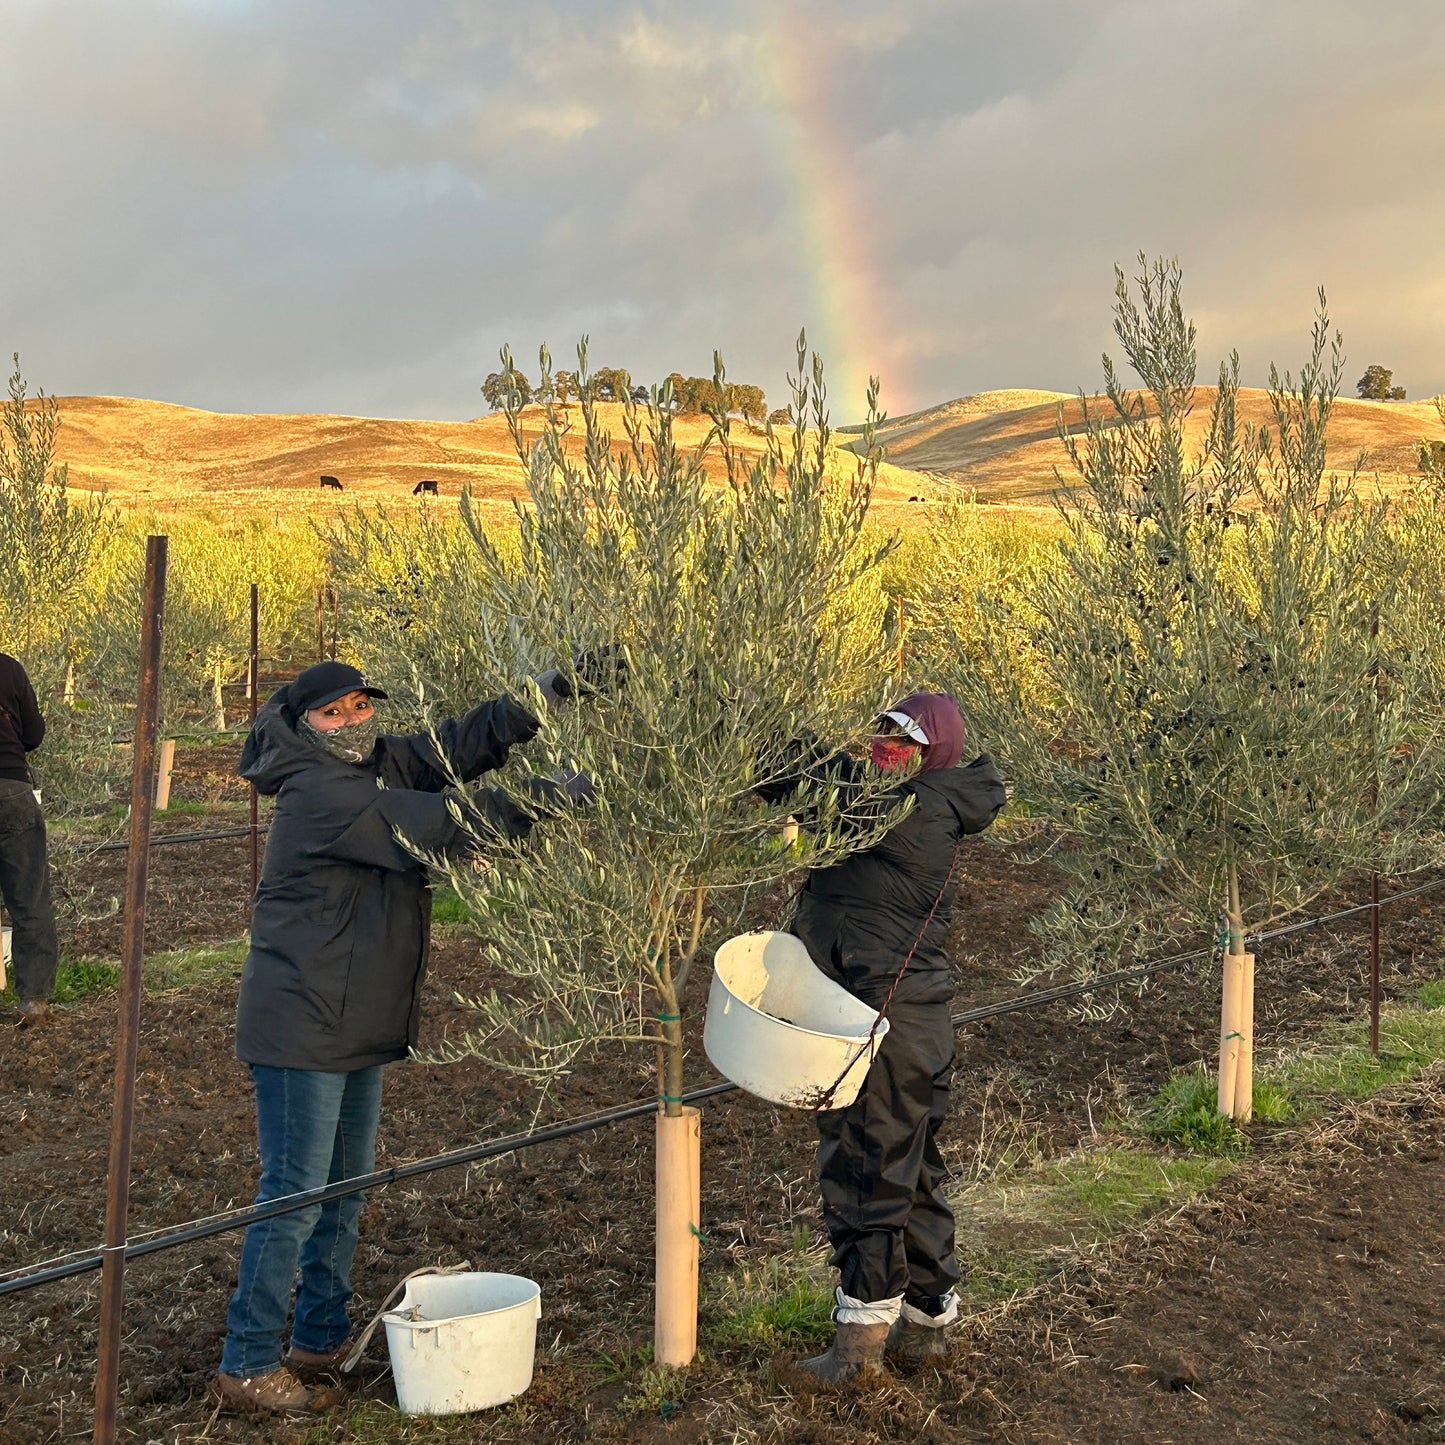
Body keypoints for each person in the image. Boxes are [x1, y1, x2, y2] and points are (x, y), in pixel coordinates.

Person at [215, 659, 590, 1415]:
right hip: (302, 1024)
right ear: (301, 726)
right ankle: (247, 1360)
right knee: (294, 1194)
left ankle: (317, 1338)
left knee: (343, 1192)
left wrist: (544, 694)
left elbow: (456, 744)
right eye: (333, 714)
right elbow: (444, 823)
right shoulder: (318, 793)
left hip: (352, 1017)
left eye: (360, 706)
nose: (353, 721)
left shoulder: (375, 762)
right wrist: (554, 795)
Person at [759, 692, 1006, 1382]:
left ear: (936, 753)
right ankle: (927, 1324)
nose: (885, 745)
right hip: (913, 1023)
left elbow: (803, 778)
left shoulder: (912, 811)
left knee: (866, 1169)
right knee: (915, 1172)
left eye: (905, 739)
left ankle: (857, 1346)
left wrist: (734, 717)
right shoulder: (917, 804)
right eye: (882, 730)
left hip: (880, 1030)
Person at [0, 650, 58, 1026]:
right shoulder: (9, 668)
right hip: (12, 791)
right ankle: (34, 1003)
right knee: (29, 899)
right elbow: (34, 734)